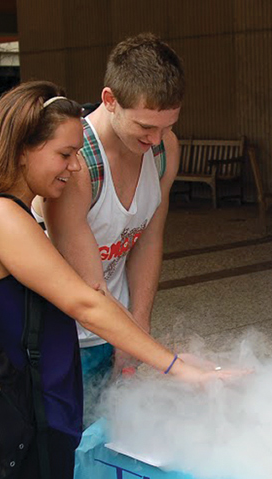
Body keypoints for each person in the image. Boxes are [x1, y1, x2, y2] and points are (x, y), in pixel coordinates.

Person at [0, 81, 238, 479]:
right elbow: (85, 301)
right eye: (64, 154)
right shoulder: (0, 217)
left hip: (38, 413)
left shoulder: (11, 212)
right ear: (22, 150)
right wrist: (176, 366)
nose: (75, 166)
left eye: (78, 152)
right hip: (29, 418)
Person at [38, 33, 184, 420]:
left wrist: (139, 326)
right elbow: (89, 288)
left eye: (166, 126)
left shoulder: (164, 150)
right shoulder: (76, 164)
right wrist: (140, 346)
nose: (155, 139)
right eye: (144, 127)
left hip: (114, 327)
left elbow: (148, 238)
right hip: (64, 339)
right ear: (109, 100)